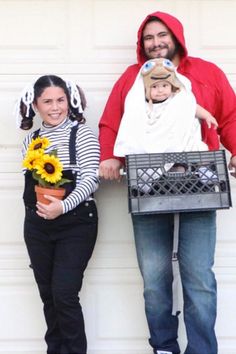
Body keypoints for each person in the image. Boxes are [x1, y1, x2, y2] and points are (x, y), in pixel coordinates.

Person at [98, 11, 236, 354]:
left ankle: (203, 350)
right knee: (154, 279)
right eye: (148, 38)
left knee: (199, 277)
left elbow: (230, 115)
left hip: (199, 183)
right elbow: (111, 121)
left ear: (176, 36)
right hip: (147, 184)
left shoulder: (206, 73)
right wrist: (108, 157)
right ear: (141, 44)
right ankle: (163, 347)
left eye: (162, 35)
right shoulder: (132, 78)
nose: (156, 43)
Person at [17, 75, 100, 354]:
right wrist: (41, 210)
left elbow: (91, 179)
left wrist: (62, 207)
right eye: (47, 101)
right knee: (48, 296)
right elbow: (32, 180)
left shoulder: (82, 134)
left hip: (76, 223)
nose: (55, 107)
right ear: (36, 106)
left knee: (64, 294)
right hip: (37, 226)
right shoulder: (32, 139)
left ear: (70, 101)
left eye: (60, 100)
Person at [114, 57, 218, 157]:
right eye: (154, 87)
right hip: (156, 145)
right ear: (146, 89)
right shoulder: (143, 106)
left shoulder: (177, 100)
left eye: (165, 86)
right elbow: (138, 124)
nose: (160, 90)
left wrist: (207, 116)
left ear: (172, 85)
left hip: (177, 141)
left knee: (192, 141)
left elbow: (192, 107)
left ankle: (190, 165)